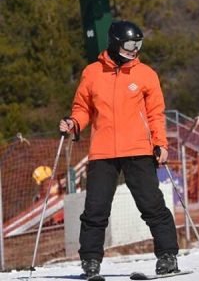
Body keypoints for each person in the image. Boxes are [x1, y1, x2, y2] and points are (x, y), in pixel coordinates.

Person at [59, 20, 179, 278]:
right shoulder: (92, 73)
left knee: (152, 205)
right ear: (115, 42)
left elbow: (156, 113)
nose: (134, 49)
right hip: (103, 151)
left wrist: (160, 143)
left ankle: (168, 256)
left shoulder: (146, 74)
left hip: (138, 149)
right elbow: (83, 109)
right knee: (95, 209)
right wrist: (73, 123)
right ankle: (90, 261)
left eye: (138, 44)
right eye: (129, 44)